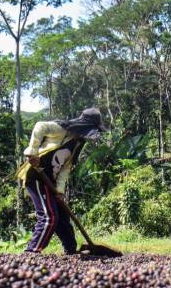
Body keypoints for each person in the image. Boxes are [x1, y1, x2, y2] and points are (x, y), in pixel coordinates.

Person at [16, 108, 108, 254]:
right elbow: (40, 126)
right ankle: (31, 252)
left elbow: (65, 169)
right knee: (50, 217)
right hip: (36, 177)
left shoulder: (77, 144)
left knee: (63, 217)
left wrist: (59, 191)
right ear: (86, 126)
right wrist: (32, 151)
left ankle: (71, 250)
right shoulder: (62, 129)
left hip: (50, 181)